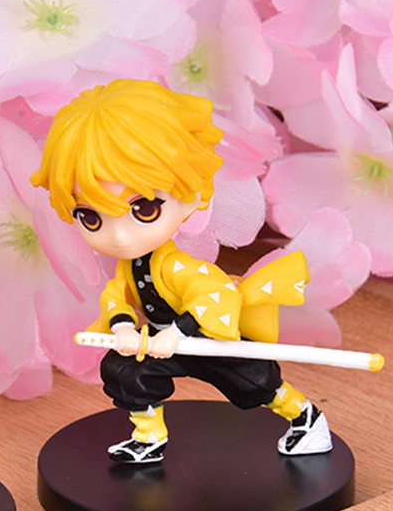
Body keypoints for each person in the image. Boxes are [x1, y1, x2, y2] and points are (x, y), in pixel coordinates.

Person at [31, 79, 332, 464]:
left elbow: (217, 294)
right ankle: (149, 436)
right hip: (163, 342)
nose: (119, 235)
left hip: (209, 340)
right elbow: (117, 295)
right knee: (126, 370)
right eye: (91, 217)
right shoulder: (131, 266)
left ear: (191, 196)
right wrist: (122, 327)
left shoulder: (178, 267)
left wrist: (177, 332)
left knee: (256, 382)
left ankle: (306, 419)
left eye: (144, 209)